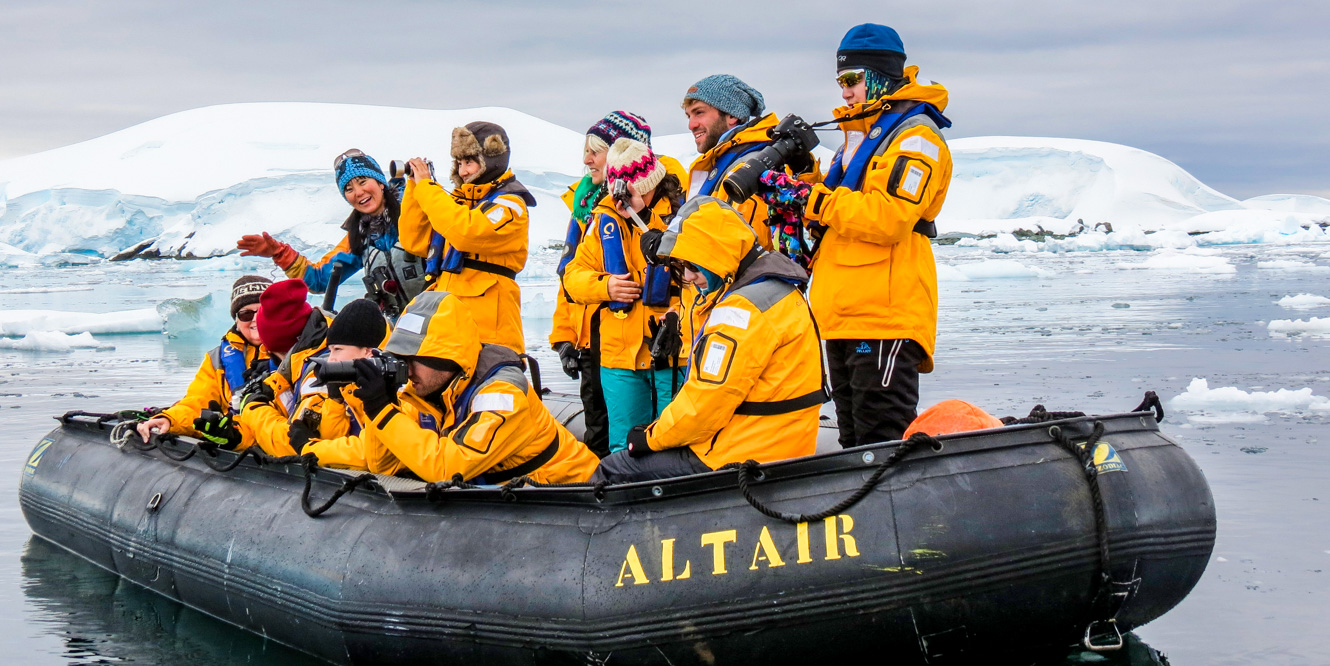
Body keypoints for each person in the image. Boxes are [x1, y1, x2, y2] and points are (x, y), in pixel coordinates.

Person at [592, 196, 824, 483]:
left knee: (614, 469)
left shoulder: (741, 311)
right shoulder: (774, 288)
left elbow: (704, 407)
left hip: (743, 450)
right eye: (683, 267)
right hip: (781, 440)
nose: (689, 276)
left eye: (694, 265)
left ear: (717, 253)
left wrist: (649, 437)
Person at [801, 23, 954, 446]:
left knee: (881, 441)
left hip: (883, 315)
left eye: (852, 80)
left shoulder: (915, 137)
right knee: (854, 442)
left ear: (880, 76)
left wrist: (816, 202)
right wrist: (804, 174)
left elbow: (890, 217)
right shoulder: (857, 138)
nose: (845, 91)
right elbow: (840, 202)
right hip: (844, 314)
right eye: (840, 81)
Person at [317, 291, 599, 484]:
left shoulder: (502, 393)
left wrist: (384, 412)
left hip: (576, 497)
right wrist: (383, 405)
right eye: (401, 359)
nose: (407, 370)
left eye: (413, 359)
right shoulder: (429, 391)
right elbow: (383, 466)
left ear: (445, 357)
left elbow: (449, 468)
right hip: (512, 496)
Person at [551, 111, 689, 458]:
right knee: (621, 447)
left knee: (673, 442)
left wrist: (681, 312)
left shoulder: (684, 219)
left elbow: (705, 280)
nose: (625, 200)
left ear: (649, 186)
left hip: (671, 353)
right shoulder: (604, 218)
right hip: (618, 358)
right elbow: (573, 277)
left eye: (632, 192)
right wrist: (606, 287)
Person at [236, 150, 427, 318]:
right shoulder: (360, 236)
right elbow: (319, 279)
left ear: (380, 183)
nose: (358, 192)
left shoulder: (418, 210)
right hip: (399, 328)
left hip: (440, 317)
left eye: (362, 182)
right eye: (349, 189)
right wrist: (279, 253)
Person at [397, 122, 534, 353]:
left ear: (491, 159)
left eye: (469, 162)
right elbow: (414, 241)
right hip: (449, 332)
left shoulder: (511, 205)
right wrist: (414, 188)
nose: (462, 172)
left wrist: (427, 188)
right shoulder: (457, 205)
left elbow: (466, 233)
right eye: (459, 163)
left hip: (490, 337)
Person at [681, 74, 816, 250]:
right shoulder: (721, 163)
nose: (691, 125)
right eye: (689, 116)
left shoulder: (752, 165)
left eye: (699, 112)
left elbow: (749, 248)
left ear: (732, 115)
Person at [240, 298, 387, 457]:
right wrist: (335, 401)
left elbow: (375, 455)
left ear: (367, 351)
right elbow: (333, 436)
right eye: (330, 350)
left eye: (337, 349)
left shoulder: (388, 388)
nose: (330, 359)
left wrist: (253, 408)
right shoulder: (345, 385)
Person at [136, 276, 271, 443]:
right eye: (246, 314)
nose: (255, 319)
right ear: (236, 319)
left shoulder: (293, 354)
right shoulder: (217, 359)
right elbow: (198, 402)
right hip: (237, 440)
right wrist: (170, 420)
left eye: (265, 311)